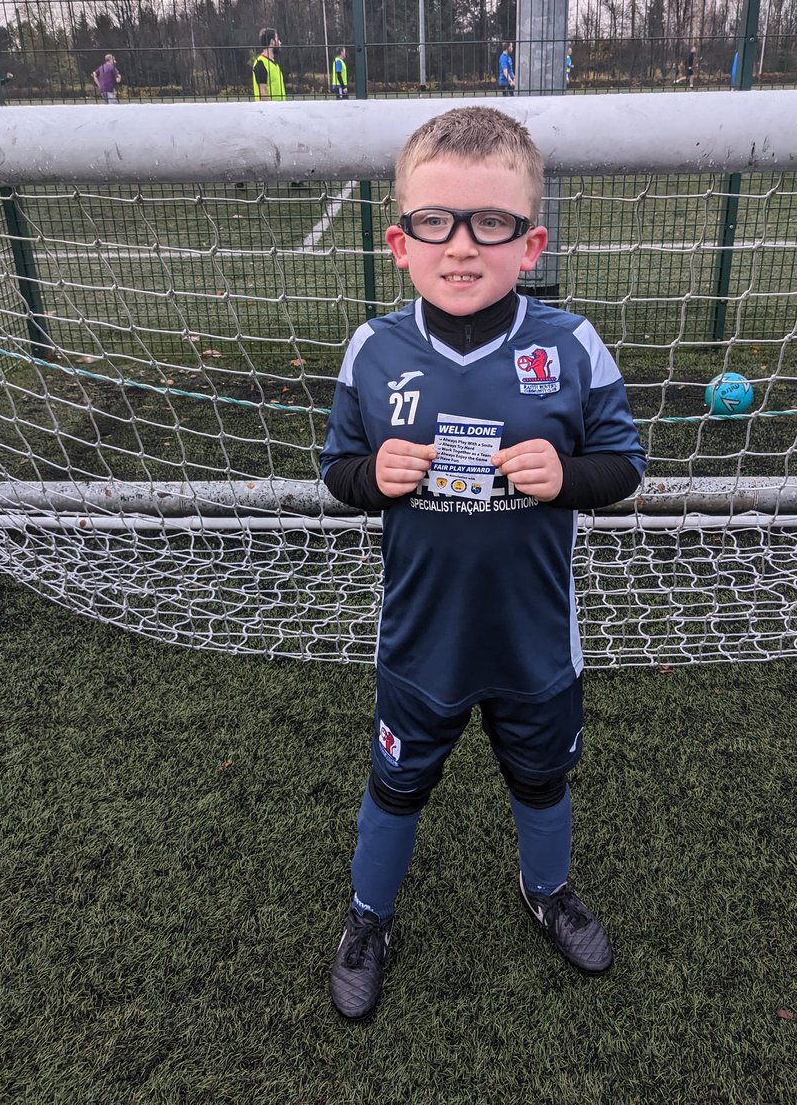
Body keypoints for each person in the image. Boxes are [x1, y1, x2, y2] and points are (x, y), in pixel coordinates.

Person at [320, 106, 646, 1021]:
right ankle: (367, 916)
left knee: (542, 778)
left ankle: (546, 891)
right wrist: (372, 475)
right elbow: (336, 470)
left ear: (529, 242)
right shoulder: (374, 351)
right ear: (400, 241)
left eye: (490, 223)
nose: (462, 247)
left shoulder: (570, 346)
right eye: (436, 221)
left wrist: (567, 475)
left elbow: (623, 467)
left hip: (536, 643)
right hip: (421, 641)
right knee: (396, 783)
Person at [252, 28, 286, 102]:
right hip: (270, 111)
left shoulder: (274, 64)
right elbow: (262, 91)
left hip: (280, 110)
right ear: (272, 42)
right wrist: (270, 110)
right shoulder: (260, 63)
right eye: (277, 39)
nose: (280, 43)